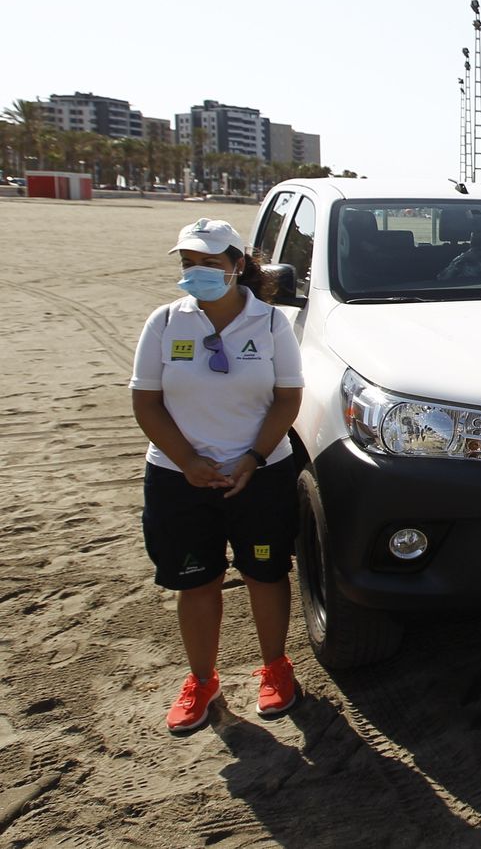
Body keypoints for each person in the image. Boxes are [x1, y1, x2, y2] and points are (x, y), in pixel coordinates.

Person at [129, 218, 305, 734]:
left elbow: (287, 399)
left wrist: (253, 457)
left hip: (261, 473)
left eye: (209, 262)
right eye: (189, 263)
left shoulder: (270, 324)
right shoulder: (165, 322)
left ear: (237, 264)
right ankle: (202, 681)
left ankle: (276, 668)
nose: (197, 273)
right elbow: (147, 402)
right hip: (178, 477)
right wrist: (188, 461)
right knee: (197, 581)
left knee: (265, 573)